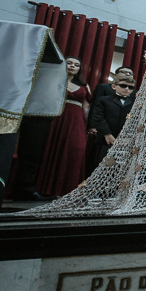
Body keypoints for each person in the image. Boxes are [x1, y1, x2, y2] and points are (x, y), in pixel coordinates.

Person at [37, 56, 91, 197]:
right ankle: (45, 189)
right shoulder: (53, 80)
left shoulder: (84, 86)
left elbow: (86, 107)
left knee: (75, 149)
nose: (73, 66)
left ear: (79, 69)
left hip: (76, 120)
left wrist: (90, 125)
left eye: (76, 65)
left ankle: (67, 189)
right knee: (52, 147)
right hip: (56, 116)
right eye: (69, 63)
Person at [90, 74, 135, 165]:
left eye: (130, 87)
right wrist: (107, 134)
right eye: (123, 85)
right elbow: (98, 118)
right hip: (105, 139)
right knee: (101, 163)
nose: (127, 89)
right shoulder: (104, 100)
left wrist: (127, 137)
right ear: (114, 86)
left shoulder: (135, 104)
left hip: (125, 141)